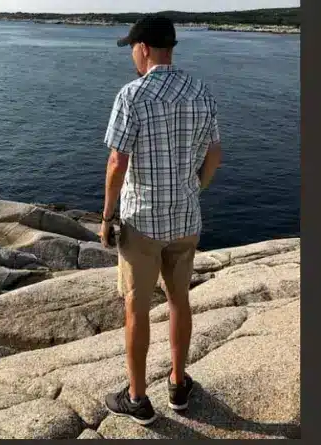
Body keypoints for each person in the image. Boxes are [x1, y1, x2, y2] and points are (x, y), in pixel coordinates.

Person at [99, 14, 223, 425]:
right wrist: (194, 189)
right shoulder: (201, 91)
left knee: (136, 309)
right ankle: (178, 385)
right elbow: (214, 155)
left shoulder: (132, 95)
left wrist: (107, 215)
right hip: (186, 219)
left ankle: (137, 399)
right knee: (179, 302)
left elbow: (117, 162)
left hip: (142, 224)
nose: (132, 55)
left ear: (145, 49)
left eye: (133, 48)